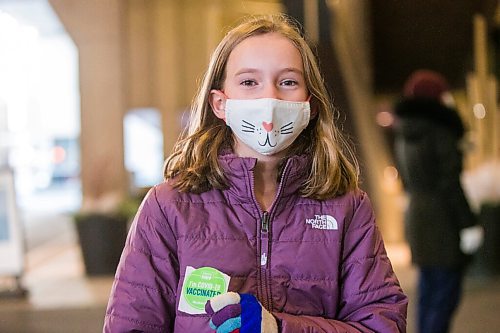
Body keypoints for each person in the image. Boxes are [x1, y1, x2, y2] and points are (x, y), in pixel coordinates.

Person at [104, 14, 407, 332]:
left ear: (310, 105)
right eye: (249, 82)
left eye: (288, 82)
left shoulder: (347, 208)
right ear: (220, 104)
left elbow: (382, 325)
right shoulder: (168, 207)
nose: (270, 99)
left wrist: (278, 327)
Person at [393, 69, 479, 333]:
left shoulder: (405, 132)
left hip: (418, 219)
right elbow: (449, 182)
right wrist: (468, 224)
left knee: (428, 293)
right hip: (444, 222)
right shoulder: (441, 130)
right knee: (444, 296)